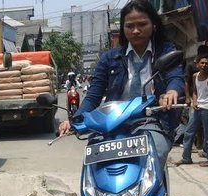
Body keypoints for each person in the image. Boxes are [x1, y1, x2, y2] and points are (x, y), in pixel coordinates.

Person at [58, 0, 184, 168]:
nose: (136, 30)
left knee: (154, 156)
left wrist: (171, 92)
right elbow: (94, 96)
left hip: (154, 121)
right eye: (130, 26)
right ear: (123, 29)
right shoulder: (109, 58)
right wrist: (74, 120)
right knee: (95, 161)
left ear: (153, 25)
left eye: (142, 24)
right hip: (113, 123)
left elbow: (174, 77)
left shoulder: (165, 50)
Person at [175, 55, 208, 167]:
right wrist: (194, 101)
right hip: (197, 108)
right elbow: (195, 90)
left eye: (207, 63)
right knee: (189, 132)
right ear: (197, 64)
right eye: (202, 63)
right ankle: (186, 158)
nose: (204, 65)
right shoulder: (195, 76)